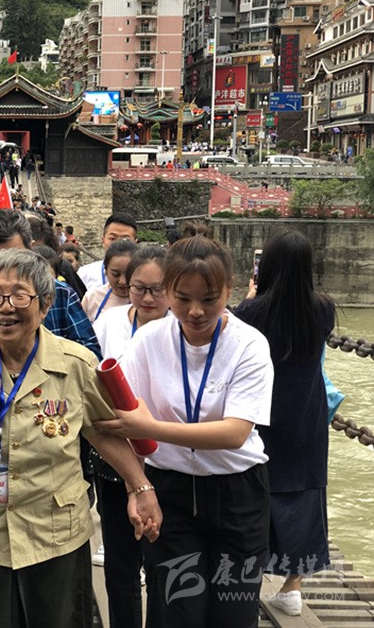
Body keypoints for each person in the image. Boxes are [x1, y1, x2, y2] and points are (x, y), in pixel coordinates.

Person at [0, 249, 162, 628]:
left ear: (45, 306)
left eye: (19, 296)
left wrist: (139, 488)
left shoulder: (77, 365)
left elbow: (103, 432)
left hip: (53, 530)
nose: (5, 307)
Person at [94, 235, 273, 628]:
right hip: (170, 494)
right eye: (182, 298)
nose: (195, 311)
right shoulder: (149, 341)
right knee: (177, 611)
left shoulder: (249, 345)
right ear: (168, 290)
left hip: (237, 494)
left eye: (209, 299)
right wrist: (138, 486)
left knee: (234, 613)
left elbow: (234, 433)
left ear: (229, 288)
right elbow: (113, 422)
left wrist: (150, 428)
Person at [235, 229, 335, 617]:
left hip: (261, 415)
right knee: (304, 495)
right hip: (307, 417)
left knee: (256, 493)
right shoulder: (323, 309)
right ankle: (293, 587)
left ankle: (248, 579)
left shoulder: (251, 312)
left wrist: (250, 298)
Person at [87, 244, 170, 628]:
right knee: (120, 561)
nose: (148, 298)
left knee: (161, 561)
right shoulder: (109, 322)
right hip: (115, 454)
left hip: (165, 458)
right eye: (139, 288)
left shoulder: (183, 328)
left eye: (158, 289)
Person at [0, 209, 101, 362]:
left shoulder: (62, 295)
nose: (4, 270)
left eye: (16, 258)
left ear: (32, 249)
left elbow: (89, 362)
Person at [82, 239, 139, 322]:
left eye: (129, 274)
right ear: (106, 271)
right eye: (116, 274)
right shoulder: (93, 297)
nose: (122, 281)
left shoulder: (145, 300)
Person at [77, 213, 138, 290]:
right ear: (103, 241)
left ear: (135, 243)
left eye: (125, 240)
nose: (118, 244)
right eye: (112, 238)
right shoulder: (84, 274)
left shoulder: (145, 275)